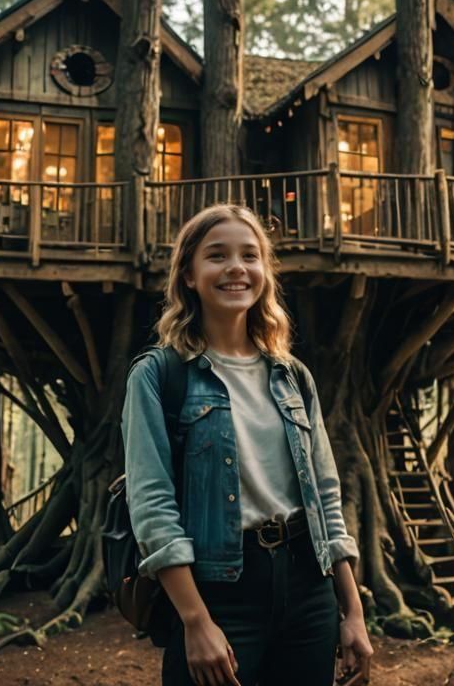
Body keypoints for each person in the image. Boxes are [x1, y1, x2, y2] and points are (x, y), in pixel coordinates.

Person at [122, 203, 374, 686]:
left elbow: (324, 495)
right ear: (190, 276)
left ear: (264, 272)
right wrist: (195, 621)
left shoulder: (292, 376)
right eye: (217, 256)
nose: (236, 268)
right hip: (217, 589)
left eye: (250, 256)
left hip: (308, 586)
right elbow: (152, 506)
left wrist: (352, 611)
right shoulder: (158, 375)